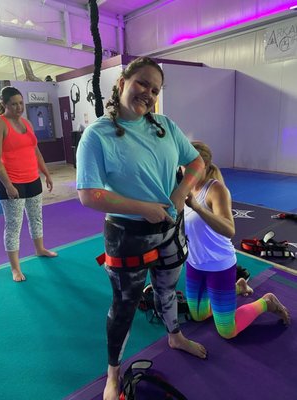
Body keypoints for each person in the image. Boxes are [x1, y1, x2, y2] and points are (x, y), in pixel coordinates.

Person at [76, 56, 207, 400]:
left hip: (170, 228)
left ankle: (174, 335)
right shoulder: (97, 135)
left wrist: (180, 194)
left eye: (155, 89)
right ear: (122, 82)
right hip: (126, 236)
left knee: (167, 290)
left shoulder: (164, 125)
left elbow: (197, 161)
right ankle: (113, 374)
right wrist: (142, 209)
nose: (147, 93)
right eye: (142, 83)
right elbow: (89, 195)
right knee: (124, 306)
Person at [184, 141, 290, 340]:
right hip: (194, 263)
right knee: (197, 316)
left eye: (191, 167)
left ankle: (267, 302)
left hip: (219, 265)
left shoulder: (216, 190)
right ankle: (238, 287)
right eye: (183, 166)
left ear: (204, 166)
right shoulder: (185, 189)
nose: (185, 172)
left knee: (227, 331)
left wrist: (197, 207)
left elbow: (229, 230)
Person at [0, 86, 57, 282]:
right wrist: (8, 185)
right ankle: (15, 268)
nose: (18, 107)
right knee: (14, 224)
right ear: (4, 105)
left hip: (32, 179)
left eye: (20, 103)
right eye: (13, 104)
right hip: (12, 182)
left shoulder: (27, 123)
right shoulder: (0, 124)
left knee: (36, 217)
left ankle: (39, 249)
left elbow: (35, 151)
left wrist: (46, 173)